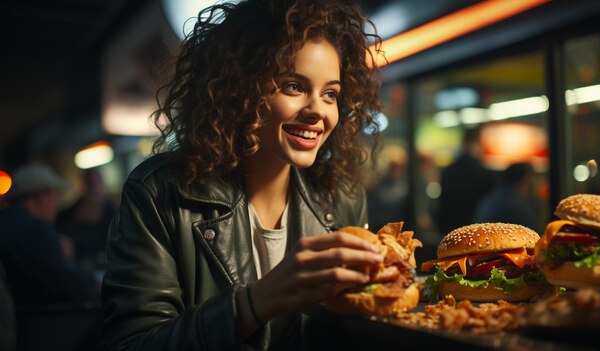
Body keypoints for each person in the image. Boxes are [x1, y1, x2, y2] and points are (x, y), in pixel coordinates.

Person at [99, 1, 384, 350]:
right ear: (241, 87)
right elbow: (130, 344)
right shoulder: (160, 193)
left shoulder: (343, 198)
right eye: (293, 86)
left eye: (330, 94)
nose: (317, 111)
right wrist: (252, 304)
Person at [0, 163, 98, 305]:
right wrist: (65, 260)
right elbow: (71, 288)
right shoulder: (34, 230)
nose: (57, 204)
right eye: (55, 196)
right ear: (40, 197)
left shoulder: (7, 221)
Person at [56, 169, 116, 275]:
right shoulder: (70, 213)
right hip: (79, 269)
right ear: (82, 187)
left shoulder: (113, 212)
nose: (93, 189)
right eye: (89, 185)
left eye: (95, 184)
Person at [437, 127, 494, 234]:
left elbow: (443, 205)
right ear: (479, 143)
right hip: (476, 231)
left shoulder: (449, 170)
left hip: (450, 228)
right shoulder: (485, 173)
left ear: (463, 141)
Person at [473, 162, 539, 231]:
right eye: (530, 181)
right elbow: (534, 236)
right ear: (524, 180)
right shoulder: (517, 204)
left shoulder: (489, 197)